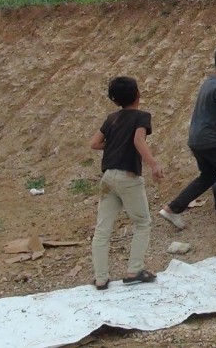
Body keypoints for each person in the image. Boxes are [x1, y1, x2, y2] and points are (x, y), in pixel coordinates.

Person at [89, 76, 164, 290]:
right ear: (138, 95)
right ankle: (134, 270)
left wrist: (113, 145)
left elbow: (94, 143)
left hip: (108, 177)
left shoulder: (111, 118)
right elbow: (138, 141)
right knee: (142, 223)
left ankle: (101, 277)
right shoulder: (142, 117)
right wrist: (153, 164)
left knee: (103, 228)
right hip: (128, 177)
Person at [159, 46, 216, 231]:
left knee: (208, 176)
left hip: (195, 138)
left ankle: (172, 208)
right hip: (209, 138)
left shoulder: (208, 82)